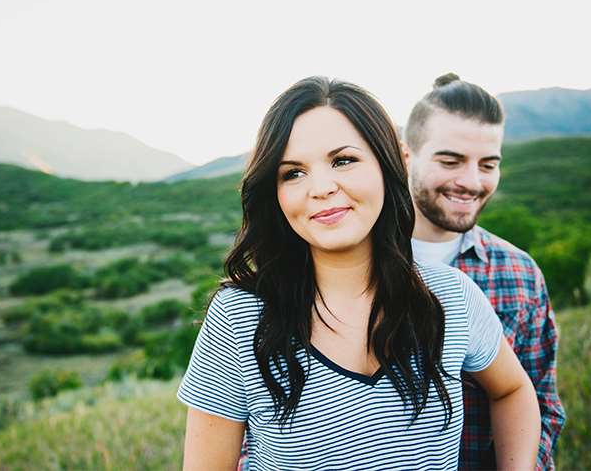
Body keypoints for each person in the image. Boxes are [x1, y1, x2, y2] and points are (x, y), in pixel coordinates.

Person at [177, 76, 540, 470]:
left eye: (343, 161)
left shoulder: (450, 295)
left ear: (387, 164)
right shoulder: (241, 316)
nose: (321, 188)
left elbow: (513, 391)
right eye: (293, 173)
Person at [402, 73, 566, 470]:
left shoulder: (520, 274)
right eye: (450, 161)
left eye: (488, 165)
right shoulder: (347, 263)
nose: (472, 182)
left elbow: (542, 404)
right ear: (407, 157)